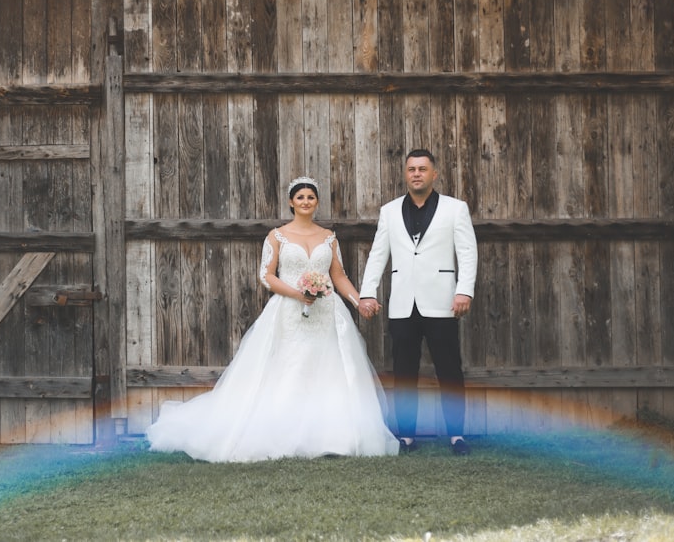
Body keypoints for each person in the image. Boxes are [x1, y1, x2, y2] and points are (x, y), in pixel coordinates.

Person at [146, 176, 400, 462]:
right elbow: (265, 275)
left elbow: (338, 275)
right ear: (291, 202)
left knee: (328, 368)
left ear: (317, 202)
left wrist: (359, 301)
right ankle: (282, 433)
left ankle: (331, 437)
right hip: (289, 312)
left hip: (325, 313)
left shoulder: (328, 237)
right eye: (300, 197)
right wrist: (297, 293)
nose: (306, 201)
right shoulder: (277, 236)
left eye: (311, 197)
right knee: (289, 366)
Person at [358, 149, 478, 455]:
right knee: (403, 372)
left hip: (442, 301)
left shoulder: (455, 209)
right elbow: (377, 255)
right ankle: (406, 437)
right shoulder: (389, 211)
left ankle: (456, 436)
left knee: (449, 370)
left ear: (434, 174)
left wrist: (464, 290)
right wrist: (368, 292)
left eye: (422, 169)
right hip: (402, 305)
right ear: (405, 173)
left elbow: (467, 252)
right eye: (411, 168)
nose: (416, 173)